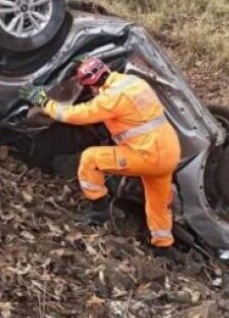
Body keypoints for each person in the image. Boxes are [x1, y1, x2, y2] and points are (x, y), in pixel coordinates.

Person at [20, 57, 182, 255]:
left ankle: (99, 210)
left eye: (89, 88)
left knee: (91, 159)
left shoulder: (112, 98)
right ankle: (163, 246)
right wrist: (86, 63)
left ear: (94, 84)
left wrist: (44, 101)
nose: (90, 92)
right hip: (169, 152)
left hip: (146, 154)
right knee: (158, 200)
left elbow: (75, 115)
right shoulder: (133, 82)